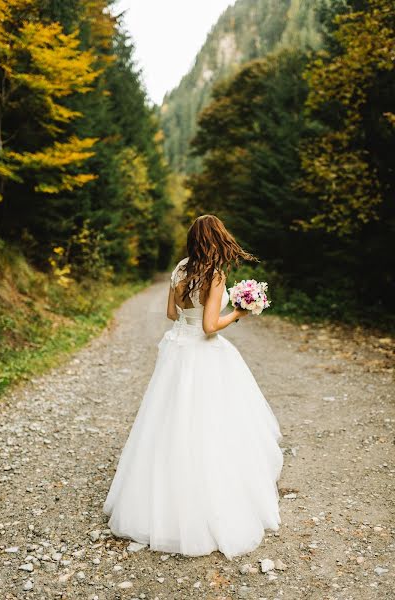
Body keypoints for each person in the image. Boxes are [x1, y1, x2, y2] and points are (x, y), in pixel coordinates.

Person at [103, 214, 283, 560]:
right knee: (211, 426)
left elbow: (172, 314)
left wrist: (192, 313)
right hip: (203, 355)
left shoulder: (181, 269)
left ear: (192, 240)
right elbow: (210, 327)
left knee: (168, 424)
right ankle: (210, 505)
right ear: (218, 239)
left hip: (176, 351)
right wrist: (239, 314)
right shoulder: (214, 275)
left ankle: (158, 505)